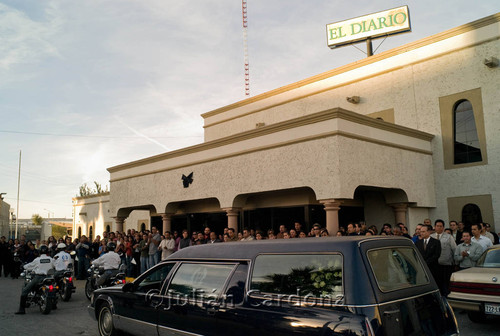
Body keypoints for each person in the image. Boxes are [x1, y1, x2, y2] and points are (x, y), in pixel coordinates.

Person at [15, 245, 55, 314]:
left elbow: (29, 266)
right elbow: (54, 266)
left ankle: (21, 309)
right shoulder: (51, 259)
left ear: (39, 252)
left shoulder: (37, 260)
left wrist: (23, 266)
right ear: (47, 252)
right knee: (54, 288)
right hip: (49, 277)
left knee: (25, 290)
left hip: (39, 278)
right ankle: (54, 305)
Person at [431, 219, 456, 296]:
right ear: (434, 227)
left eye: (441, 226)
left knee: (445, 283)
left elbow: (454, 249)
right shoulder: (431, 237)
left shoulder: (449, 237)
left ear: (443, 227)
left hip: (446, 264)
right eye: (437, 226)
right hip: (434, 264)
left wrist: (455, 263)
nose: (439, 228)